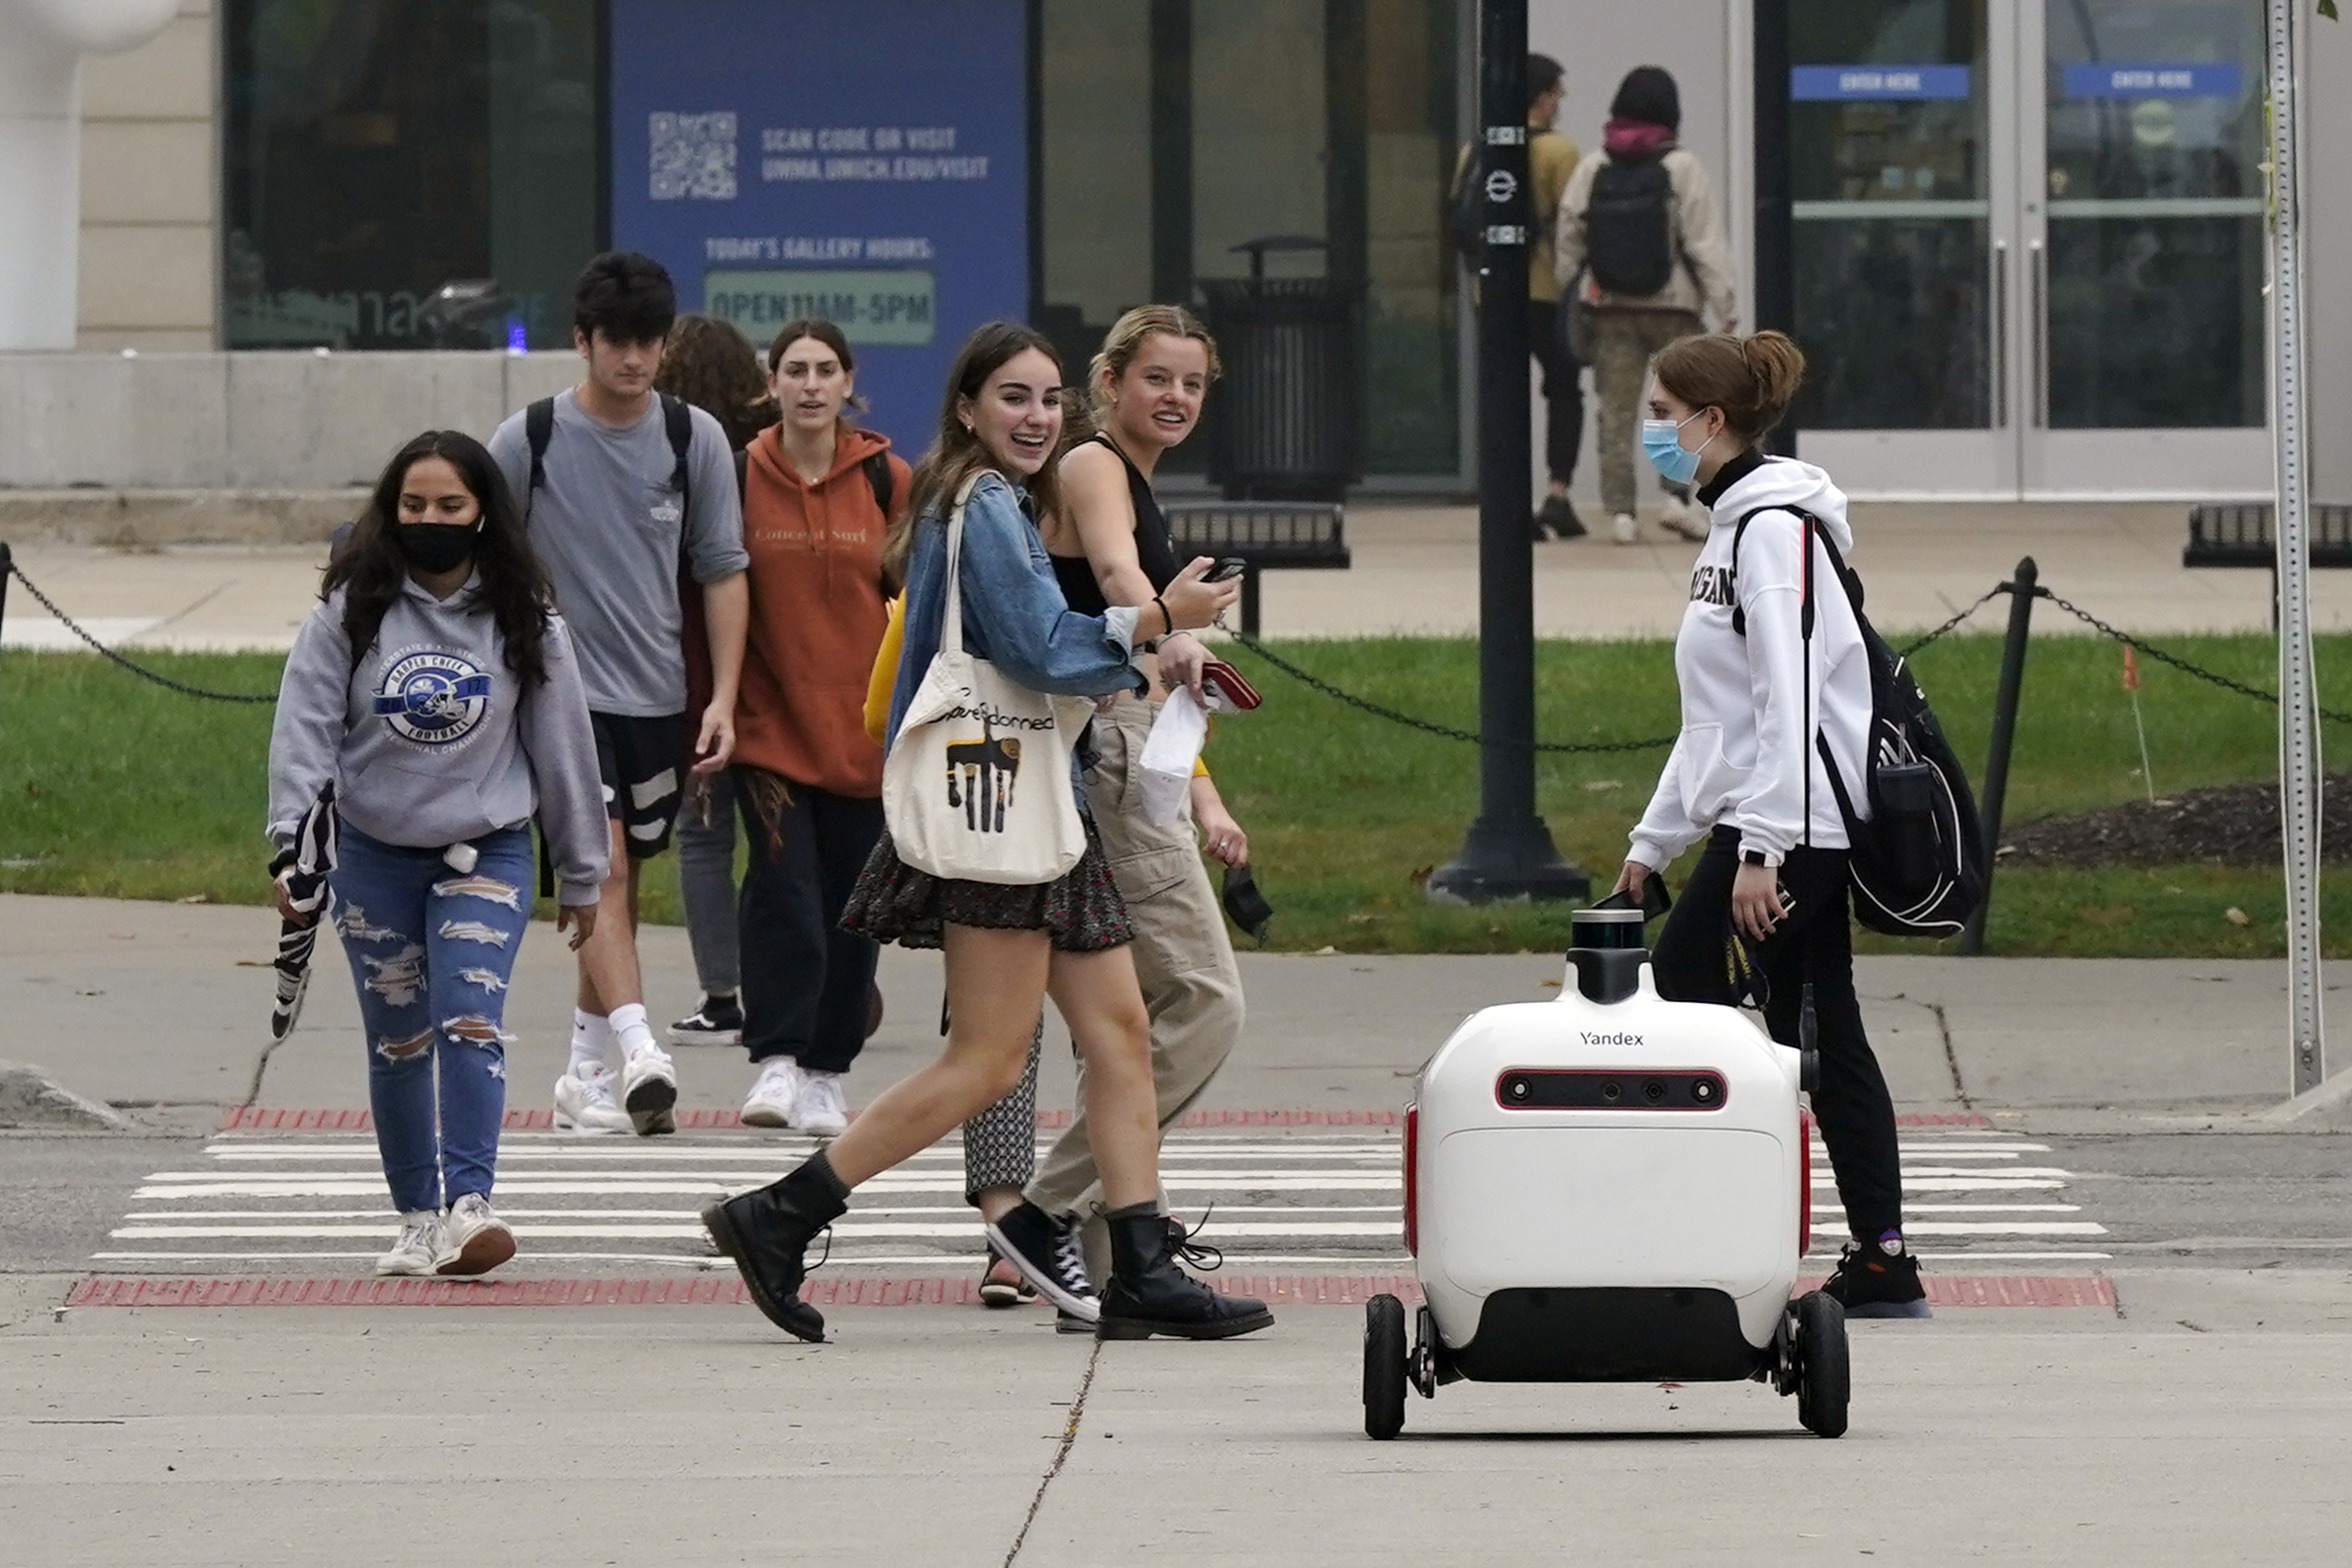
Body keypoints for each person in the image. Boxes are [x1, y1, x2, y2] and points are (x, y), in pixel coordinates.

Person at [701, 321, 1273, 1344]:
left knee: (1122, 1032)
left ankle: (1136, 1260)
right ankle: (782, 1213)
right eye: (1013, 398)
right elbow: (1037, 645)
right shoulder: (979, 506)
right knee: (988, 1060)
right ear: (967, 409)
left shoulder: (995, 501)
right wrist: (1156, 621)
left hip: (1040, 803)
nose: (1038, 417)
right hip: (1000, 802)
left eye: (1050, 399)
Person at [1610, 330, 1928, 1320]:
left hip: (1793, 829)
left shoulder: (1774, 532)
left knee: (1683, 1000)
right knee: (1820, 1030)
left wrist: (1759, 852)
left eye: (1662, 415)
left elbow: (1788, 705)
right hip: (1777, 821)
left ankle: (1708, 1242)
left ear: (1711, 422)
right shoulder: (1733, 528)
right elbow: (1722, 720)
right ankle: (1881, 1259)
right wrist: (1650, 844)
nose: (1650, 431)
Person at [958, 304, 1253, 1316]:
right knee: (1203, 1002)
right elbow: (1122, 579)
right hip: (1109, 750)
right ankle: (1045, 1216)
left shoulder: (1124, 471)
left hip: (1129, 746)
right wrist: (1168, 624)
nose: (1175, 398)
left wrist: (1205, 784)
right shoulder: (1093, 465)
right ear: (1113, 381)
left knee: (1125, 1023)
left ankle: (1113, 1248)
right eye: (1157, 377)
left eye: (1194, 384)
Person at [266, 431, 608, 1277]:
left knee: (467, 1019)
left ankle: (469, 1204)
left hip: (486, 847)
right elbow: (303, 733)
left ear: (483, 510)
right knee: (398, 1042)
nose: (430, 520)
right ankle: (417, 1217)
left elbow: (564, 748)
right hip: (372, 854)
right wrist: (291, 851)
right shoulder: (351, 610)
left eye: (449, 506)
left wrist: (581, 868)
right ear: (390, 512)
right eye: (413, 506)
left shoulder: (527, 618)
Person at [488, 253, 750, 1137]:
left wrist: (722, 696)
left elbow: (721, 571)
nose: (634, 361)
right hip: (557, 696)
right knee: (597, 863)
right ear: (582, 341)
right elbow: (482, 566)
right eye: (617, 345)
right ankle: (641, 1049)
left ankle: (580, 1076)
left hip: (659, 696)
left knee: (620, 886)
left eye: (648, 344)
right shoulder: (529, 439)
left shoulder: (693, 439)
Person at [728, 318, 906, 1136]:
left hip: (865, 733)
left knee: (850, 907)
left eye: (823, 370)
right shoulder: (737, 478)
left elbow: (915, 599)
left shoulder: (886, 480)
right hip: (769, 730)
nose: (808, 384)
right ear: (772, 384)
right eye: (793, 370)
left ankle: (827, 1072)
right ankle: (775, 1060)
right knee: (780, 896)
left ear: (846, 382)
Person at [648, 313, 777, 1049]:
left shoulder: (675, 459)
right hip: (769, 671)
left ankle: (721, 993)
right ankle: (801, 969)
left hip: (690, 665)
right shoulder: (770, 460)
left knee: (702, 839)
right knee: (780, 838)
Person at [1554, 65, 1736, 547]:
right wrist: (1726, 304)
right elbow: (1704, 242)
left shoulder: (1595, 165)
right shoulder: (1682, 167)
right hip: (1675, 307)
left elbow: (1569, 235)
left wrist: (1572, 286)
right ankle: (1675, 500)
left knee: (1615, 411)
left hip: (1611, 307)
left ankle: (1621, 515)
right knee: (1678, 409)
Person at [1452, 53, 1584, 540]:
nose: (1559, 104)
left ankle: (1507, 498)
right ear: (1544, 96)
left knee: (1504, 398)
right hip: (1547, 290)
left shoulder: (1476, 149)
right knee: (1563, 389)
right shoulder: (1558, 152)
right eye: (1557, 94)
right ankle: (1557, 493)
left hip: (1491, 292)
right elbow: (1573, 225)